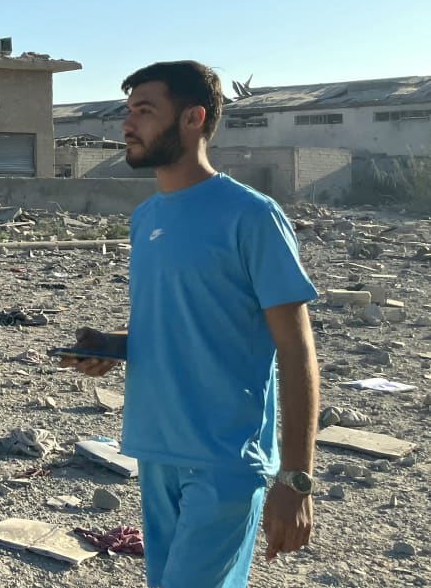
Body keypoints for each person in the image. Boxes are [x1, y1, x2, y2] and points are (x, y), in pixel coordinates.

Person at [61, 60, 320, 588]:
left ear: (192, 118)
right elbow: (178, 329)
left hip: (224, 457)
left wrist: (295, 479)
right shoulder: (146, 219)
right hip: (156, 449)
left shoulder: (252, 216)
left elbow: (296, 351)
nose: (127, 124)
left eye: (144, 111)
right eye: (128, 111)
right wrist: (110, 347)